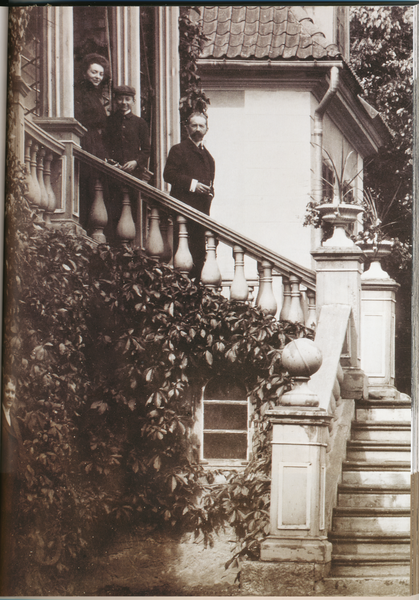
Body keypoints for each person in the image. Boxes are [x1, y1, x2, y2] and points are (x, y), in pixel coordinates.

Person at [163, 113, 215, 281]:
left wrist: (210, 193)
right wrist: (193, 185)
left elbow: (210, 185)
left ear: (207, 129)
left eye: (201, 126)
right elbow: (169, 175)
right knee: (183, 256)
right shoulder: (179, 150)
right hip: (183, 212)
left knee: (199, 256)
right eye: (194, 125)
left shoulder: (209, 158)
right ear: (187, 128)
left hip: (200, 215)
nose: (197, 130)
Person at [104, 85, 151, 240]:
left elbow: (146, 150)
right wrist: (110, 161)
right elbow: (104, 145)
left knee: (132, 210)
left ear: (133, 100)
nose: (123, 102)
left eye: (127, 99)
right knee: (113, 209)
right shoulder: (109, 121)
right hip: (113, 174)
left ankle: (131, 246)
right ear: (115, 100)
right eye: (120, 98)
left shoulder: (140, 123)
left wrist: (136, 162)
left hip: (133, 175)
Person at [74, 53, 110, 230]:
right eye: (94, 72)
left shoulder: (96, 95)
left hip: (96, 143)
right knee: (87, 182)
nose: (97, 77)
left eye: (100, 74)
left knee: (96, 184)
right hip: (86, 141)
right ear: (85, 73)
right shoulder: (79, 93)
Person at [0, 375, 22, 595]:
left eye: (13, 392)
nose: (10, 396)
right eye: (7, 391)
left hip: (12, 483)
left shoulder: (13, 419)